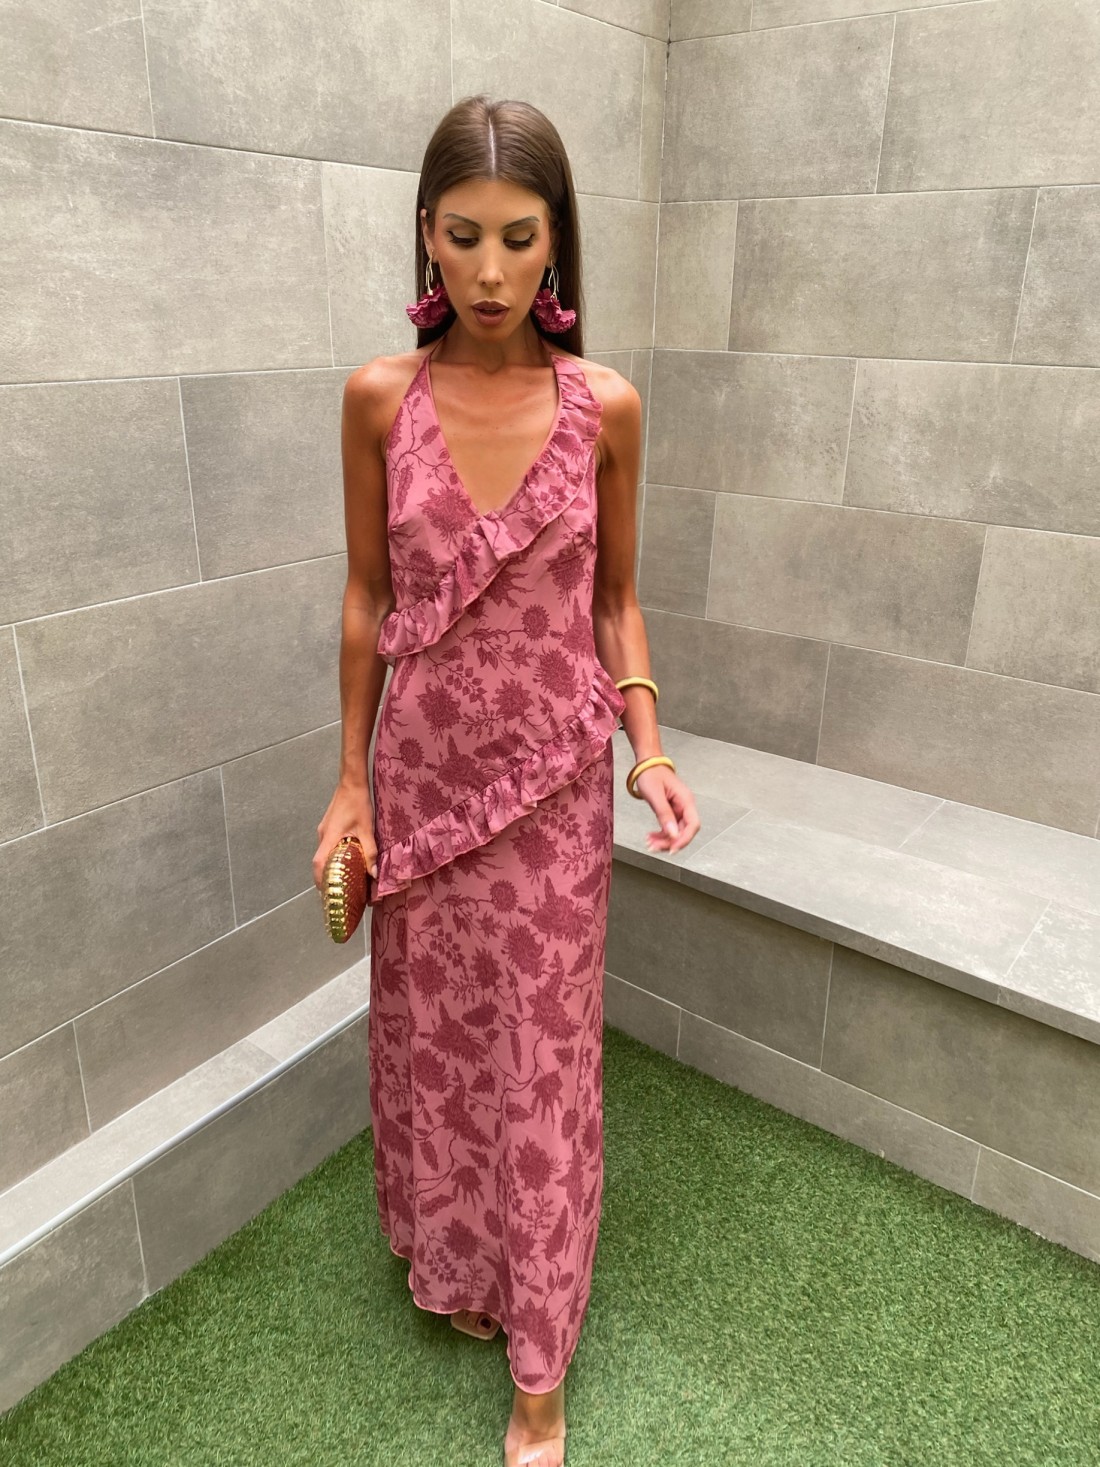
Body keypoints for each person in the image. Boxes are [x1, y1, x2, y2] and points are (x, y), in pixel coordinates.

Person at [313, 94, 700, 1467]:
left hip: (552, 797)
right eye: (464, 236)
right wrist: (351, 785)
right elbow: (367, 600)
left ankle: (541, 1375)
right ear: (426, 234)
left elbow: (618, 603)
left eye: (519, 239)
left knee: (539, 1061)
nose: (490, 272)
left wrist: (648, 747)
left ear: (558, 243)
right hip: (422, 790)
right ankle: (462, 1269)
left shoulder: (606, 408)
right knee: (440, 1040)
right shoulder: (378, 399)